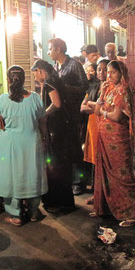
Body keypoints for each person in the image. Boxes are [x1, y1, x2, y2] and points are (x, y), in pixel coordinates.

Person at [0, 66, 48, 226]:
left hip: (10, 146)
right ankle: (34, 212)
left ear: (8, 80)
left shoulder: (2, 100)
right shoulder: (35, 98)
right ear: (23, 80)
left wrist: (1, 117)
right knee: (32, 174)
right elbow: (43, 121)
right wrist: (43, 139)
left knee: (12, 176)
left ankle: (16, 215)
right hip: (32, 143)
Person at [92, 60, 135, 227]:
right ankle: (104, 208)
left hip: (117, 139)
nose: (109, 75)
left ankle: (131, 213)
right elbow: (97, 110)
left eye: (113, 72)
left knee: (122, 174)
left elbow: (116, 117)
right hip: (105, 137)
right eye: (108, 72)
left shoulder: (123, 90)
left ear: (121, 73)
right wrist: (102, 92)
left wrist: (105, 112)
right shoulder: (110, 90)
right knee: (104, 172)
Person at [31, 59, 75, 212]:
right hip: (60, 128)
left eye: (35, 73)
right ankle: (61, 201)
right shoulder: (53, 79)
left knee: (55, 165)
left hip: (57, 130)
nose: (35, 77)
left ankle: (58, 202)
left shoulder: (50, 81)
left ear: (41, 70)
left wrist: (43, 114)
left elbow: (56, 104)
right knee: (58, 165)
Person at [48, 38, 89, 195]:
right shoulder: (54, 67)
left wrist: (65, 88)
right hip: (60, 114)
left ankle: (79, 182)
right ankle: (67, 180)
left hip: (72, 113)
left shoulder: (74, 65)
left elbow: (84, 86)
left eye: (50, 48)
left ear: (59, 49)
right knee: (63, 147)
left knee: (75, 147)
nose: (49, 52)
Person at [80, 59, 109, 205]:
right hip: (92, 127)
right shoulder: (92, 87)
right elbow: (82, 107)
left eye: (105, 70)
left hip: (105, 128)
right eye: (99, 70)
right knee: (94, 162)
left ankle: (105, 195)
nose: (102, 73)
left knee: (104, 162)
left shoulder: (111, 89)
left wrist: (94, 106)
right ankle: (95, 193)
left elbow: (105, 109)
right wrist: (95, 106)